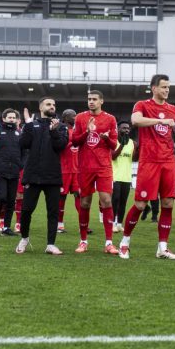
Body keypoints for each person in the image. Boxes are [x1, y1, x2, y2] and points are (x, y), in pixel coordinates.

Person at [119, 74, 175, 260]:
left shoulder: (173, 110)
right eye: (163, 87)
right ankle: (124, 243)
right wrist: (160, 121)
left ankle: (163, 248)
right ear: (153, 88)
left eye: (168, 87)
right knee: (140, 204)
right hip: (149, 161)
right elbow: (135, 121)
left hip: (168, 162)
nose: (167, 90)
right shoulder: (142, 105)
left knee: (168, 204)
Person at [15, 97, 70, 255]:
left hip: (52, 175)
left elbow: (61, 146)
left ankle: (50, 244)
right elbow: (23, 144)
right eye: (48, 104)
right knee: (26, 210)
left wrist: (53, 132)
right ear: (40, 107)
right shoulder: (33, 124)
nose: (52, 106)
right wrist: (27, 125)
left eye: (54, 104)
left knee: (53, 212)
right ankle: (24, 238)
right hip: (33, 175)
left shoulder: (60, 127)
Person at [71, 90, 119, 254]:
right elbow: (75, 142)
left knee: (106, 201)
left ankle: (109, 243)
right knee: (85, 203)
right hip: (85, 167)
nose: (91, 102)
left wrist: (106, 138)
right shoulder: (80, 118)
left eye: (94, 99)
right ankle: (83, 241)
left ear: (101, 101)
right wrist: (87, 131)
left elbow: (114, 146)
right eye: (89, 99)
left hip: (103, 167)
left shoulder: (110, 119)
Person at [0, 108, 23, 237]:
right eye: (9, 117)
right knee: (1, 197)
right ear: (3, 119)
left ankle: (7, 227)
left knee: (10, 200)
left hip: (14, 171)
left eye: (14, 118)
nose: (12, 120)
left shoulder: (19, 134)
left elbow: (25, 152)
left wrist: (21, 165)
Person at [111, 120, 136, 233]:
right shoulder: (113, 141)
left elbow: (134, 158)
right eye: (123, 128)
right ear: (118, 129)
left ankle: (120, 224)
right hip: (115, 176)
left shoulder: (132, 142)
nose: (126, 130)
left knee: (123, 202)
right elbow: (113, 156)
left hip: (126, 177)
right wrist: (122, 145)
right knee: (115, 200)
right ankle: (112, 223)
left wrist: (140, 149)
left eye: (127, 128)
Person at [57, 109, 80, 234]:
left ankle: (83, 224)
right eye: (73, 115)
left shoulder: (77, 131)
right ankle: (59, 224)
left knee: (79, 195)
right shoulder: (61, 130)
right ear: (65, 118)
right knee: (62, 197)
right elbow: (58, 147)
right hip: (63, 170)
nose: (75, 117)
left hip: (76, 170)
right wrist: (71, 142)